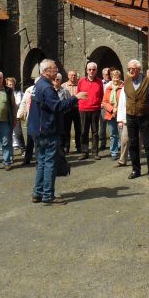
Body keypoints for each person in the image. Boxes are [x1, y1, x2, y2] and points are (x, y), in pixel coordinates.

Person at [28, 59, 87, 205]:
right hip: (48, 130)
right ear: (47, 70)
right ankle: (48, 195)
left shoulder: (38, 85)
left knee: (41, 162)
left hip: (38, 130)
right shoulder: (47, 88)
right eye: (54, 69)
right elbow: (58, 107)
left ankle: (38, 193)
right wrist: (76, 97)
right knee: (49, 163)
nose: (57, 70)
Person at [124, 59, 149, 180]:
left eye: (133, 69)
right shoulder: (126, 81)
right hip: (130, 116)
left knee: (148, 144)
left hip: (144, 116)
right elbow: (126, 98)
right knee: (133, 144)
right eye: (129, 69)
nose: (131, 71)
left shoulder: (148, 80)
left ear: (139, 69)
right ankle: (135, 170)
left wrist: (145, 106)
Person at [77, 61, 104, 160]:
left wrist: (98, 103)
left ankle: (95, 152)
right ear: (86, 70)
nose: (91, 71)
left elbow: (101, 95)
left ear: (96, 71)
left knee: (95, 132)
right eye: (89, 69)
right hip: (83, 109)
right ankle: (84, 152)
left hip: (95, 109)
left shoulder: (99, 82)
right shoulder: (81, 81)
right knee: (84, 131)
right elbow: (78, 94)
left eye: (93, 69)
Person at [101, 69, 124, 161]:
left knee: (123, 135)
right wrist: (112, 108)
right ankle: (114, 152)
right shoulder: (108, 88)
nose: (115, 80)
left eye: (117, 78)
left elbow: (125, 101)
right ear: (111, 78)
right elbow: (104, 102)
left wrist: (118, 109)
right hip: (110, 114)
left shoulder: (123, 88)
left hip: (120, 114)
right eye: (114, 78)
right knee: (113, 134)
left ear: (120, 78)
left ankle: (124, 152)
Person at [17, 80, 37, 166]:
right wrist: (18, 115)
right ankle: (27, 158)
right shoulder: (29, 90)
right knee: (30, 140)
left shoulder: (44, 89)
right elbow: (23, 103)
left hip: (40, 119)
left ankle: (39, 159)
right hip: (30, 117)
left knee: (38, 140)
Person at [62, 70, 82, 154]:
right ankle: (67, 146)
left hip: (78, 109)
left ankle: (79, 146)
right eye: (71, 75)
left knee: (78, 129)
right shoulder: (63, 86)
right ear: (68, 76)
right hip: (67, 110)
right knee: (66, 129)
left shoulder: (80, 85)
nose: (73, 77)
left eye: (74, 75)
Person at [6, 77, 26, 157]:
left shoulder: (18, 93)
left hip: (16, 116)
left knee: (18, 133)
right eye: (9, 84)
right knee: (7, 134)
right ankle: (9, 152)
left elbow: (21, 103)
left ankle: (23, 149)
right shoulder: (5, 93)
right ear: (7, 85)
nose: (11, 86)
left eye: (12, 84)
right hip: (6, 116)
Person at [99, 67, 112, 152]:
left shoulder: (112, 83)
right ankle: (102, 144)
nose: (106, 76)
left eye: (108, 74)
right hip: (102, 107)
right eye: (105, 74)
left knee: (112, 126)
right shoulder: (99, 83)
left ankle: (114, 144)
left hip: (110, 107)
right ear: (102, 75)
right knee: (102, 127)